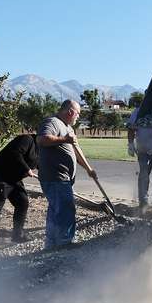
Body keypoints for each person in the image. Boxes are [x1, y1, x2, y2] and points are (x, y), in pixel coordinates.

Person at [37, 100, 98, 249]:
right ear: (70, 112)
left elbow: (77, 152)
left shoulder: (68, 128)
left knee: (56, 209)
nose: (78, 117)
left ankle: (51, 244)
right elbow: (42, 139)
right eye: (78, 114)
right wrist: (65, 139)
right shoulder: (52, 122)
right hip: (55, 177)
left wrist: (89, 169)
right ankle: (64, 243)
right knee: (66, 208)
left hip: (61, 178)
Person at [0, 133, 38, 256]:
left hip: (13, 178)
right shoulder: (27, 140)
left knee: (22, 202)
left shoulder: (42, 149)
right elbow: (15, 153)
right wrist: (27, 169)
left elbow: (40, 165)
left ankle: (17, 234)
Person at [127, 106, 152, 207]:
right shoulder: (138, 112)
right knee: (144, 176)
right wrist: (131, 144)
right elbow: (131, 128)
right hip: (144, 150)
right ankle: (143, 202)